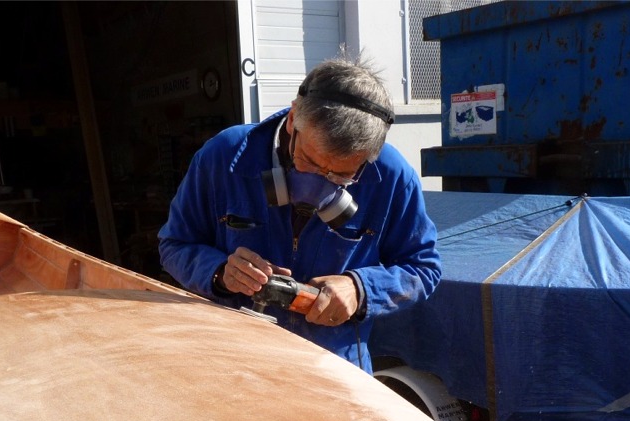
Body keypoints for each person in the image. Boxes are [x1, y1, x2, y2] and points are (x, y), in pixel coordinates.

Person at [157, 54, 441, 373]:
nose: (319, 185)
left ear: (367, 158)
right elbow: (174, 245)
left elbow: (423, 268)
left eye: (340, 176)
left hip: (333, 368)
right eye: (310, 162)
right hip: (234, 361)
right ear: (293, 119)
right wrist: (219, 271)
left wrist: (361, 288)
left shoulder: (389, 176)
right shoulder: (225, 157)